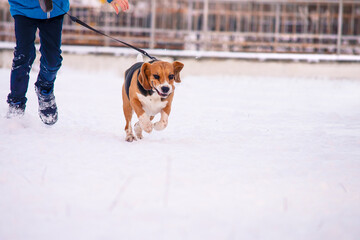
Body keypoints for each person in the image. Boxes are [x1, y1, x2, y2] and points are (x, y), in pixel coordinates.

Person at [6, 0, 129, 125]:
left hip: (53, 10)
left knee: (52, 61)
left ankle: (45, 90)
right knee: (23, 56)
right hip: (23, 8)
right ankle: (16, 103)